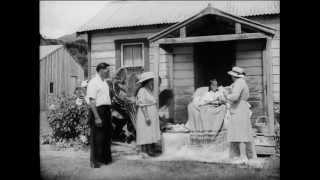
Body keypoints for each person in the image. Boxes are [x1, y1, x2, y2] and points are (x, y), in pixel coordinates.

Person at [223, 67, 257, 164]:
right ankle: (238, 155)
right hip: (240, 107)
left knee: (240, 133)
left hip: (239, 108)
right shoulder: (239, 82)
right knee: (239, 132)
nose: (231, 77)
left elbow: (235, 96)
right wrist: (227, 89)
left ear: (235, 76)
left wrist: (226, 96)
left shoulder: (239, 83)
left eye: (232, 76)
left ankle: (243, 156)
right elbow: (232, 88)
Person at [86, 63, 113, 168]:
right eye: (107, 70)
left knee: (106, 136)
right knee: (97, 137)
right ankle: (94, 161)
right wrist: (97, 117)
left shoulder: (105, 82)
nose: (108, 72)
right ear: (101, 70)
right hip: (98, 111)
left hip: (106, 111)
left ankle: (104, 158)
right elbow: (92, 101)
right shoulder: (93, 82)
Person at [135, 72, 161, 157]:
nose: (153, 81)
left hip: (152, 112)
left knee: (150, 131)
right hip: (145, 113)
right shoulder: (142, 90)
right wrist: (146, 117)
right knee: (145, 130)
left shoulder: (150, 90)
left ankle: (150, 148)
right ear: (148, 81)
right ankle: (145, 150)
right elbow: (142, 104)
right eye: (151, 80)